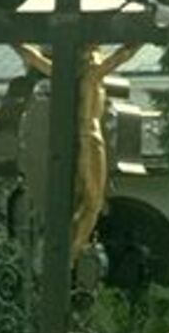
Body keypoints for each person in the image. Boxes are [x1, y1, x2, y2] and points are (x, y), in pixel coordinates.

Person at [13, 40, 139, 261]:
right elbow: (121, 56)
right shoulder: (93, 74)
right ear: (90, 54)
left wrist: (13, 41)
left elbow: (32, 57)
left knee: (83, 199)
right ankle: (72, 254)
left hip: (80, 136)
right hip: (91, 137)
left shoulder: (63, 72)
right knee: (92, 202)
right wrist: (140, 40)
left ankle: (70, 249)